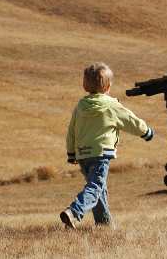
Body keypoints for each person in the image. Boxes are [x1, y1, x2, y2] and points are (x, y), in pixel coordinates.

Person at [60, 62, 154, 228]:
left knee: (98, 189)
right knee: (95, 187)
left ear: (84, 85)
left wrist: (71, 153)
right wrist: (146, 132)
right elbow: (131, 121)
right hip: (100, 153)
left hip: (82, 155)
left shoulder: (80, 106)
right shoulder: (111, 105)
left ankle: (104, 224)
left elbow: (71, 130)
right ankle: (74, 211)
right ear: (108, 86)